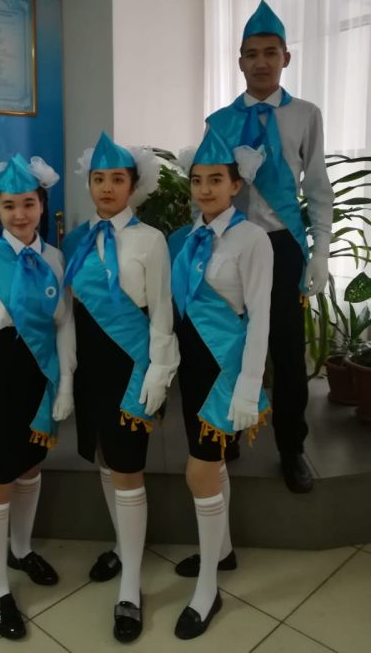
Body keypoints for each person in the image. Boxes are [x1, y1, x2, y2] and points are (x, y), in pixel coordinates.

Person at [205, 0, 333, 493]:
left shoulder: (305, 115)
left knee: (286, 349)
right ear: (239, 60)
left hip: (282, 245)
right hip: (232, 243)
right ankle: (229, 429)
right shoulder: (219, 121)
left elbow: (317, 188)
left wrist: (319, 252)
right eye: (251, 54)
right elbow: (207, 189)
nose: (261, 62)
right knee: (230, 342)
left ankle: (292, 448)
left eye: (270, 53)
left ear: (286, 58)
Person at [63, 132, 179, 644]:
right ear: (88, 184)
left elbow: (162, 313)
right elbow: (67, 313)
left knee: (128, 470)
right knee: (106, 462)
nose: (107, 187)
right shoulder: (76, 240)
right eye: (99, 179)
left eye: (117, 179)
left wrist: (159, 373)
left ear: (134, 185)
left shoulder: (151, 240)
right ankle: (121, 546)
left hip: (132, 366)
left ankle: (130, 584)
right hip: (90, 368)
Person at [0, 153, 75, 641]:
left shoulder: (54, 259)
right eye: (9, 206)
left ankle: (20, 549)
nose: (20, 214)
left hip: (37, 376)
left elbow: (63, 324)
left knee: (30, 466)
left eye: (29, 204)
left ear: (42, 205)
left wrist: (65, 384)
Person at [168, 130, 273, 639]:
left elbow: (260, 318)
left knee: (199, 473)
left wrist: (250, 387)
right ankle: (223, 551)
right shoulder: (186, 238)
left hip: (225, 373)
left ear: (236, 185)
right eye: (197, 180)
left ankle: (208, 588)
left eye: (216, 180)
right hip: (193, 368)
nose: (205, 189)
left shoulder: (252, 239)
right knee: (211, 467)